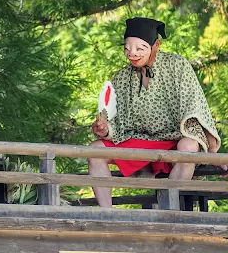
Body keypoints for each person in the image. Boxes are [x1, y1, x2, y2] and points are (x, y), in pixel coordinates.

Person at [89, 17, 223, 208]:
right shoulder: (121, 77)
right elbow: (117, 122)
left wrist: (211, 151)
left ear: (156, 45)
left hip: (174, 139)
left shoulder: (177, 66)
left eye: (139, 48)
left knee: (189, 146)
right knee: (95, 150)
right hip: (139, 139)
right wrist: (105, 130)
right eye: (127, 48)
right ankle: (108, 214)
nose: (132, 54)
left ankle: (170, 211)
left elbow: (194, 106)